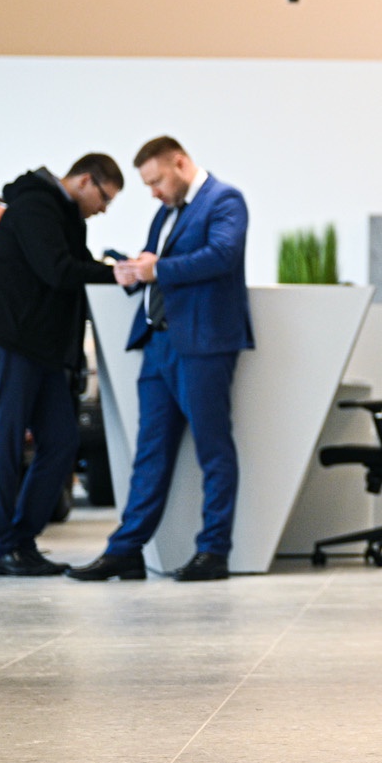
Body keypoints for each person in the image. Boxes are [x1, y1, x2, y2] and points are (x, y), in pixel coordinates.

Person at [70, 138, 252, 583]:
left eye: (156, 181)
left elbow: (222, 256)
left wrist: (158, 270)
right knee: (150, 452)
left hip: (203, 344)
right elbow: (155, 264)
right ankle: (126, 550)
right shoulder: (166, 212)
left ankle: (214, 551)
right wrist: (132, 270)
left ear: (180, 163)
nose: (153, 192)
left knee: (213, 449)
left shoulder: (224, 200)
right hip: (158, 344)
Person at [0, 155, 124, 576]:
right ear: (85, 180)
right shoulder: (36, 205)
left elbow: (75, 266)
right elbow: (58, 271)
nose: (104, 209)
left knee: (61, 441)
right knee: (7, 439)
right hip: (11, 339)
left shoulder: (67, 216)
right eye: (105, 198)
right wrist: (119, 275)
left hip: (43, 348)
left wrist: (115, 268)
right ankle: (2, 548)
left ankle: (22, 540)